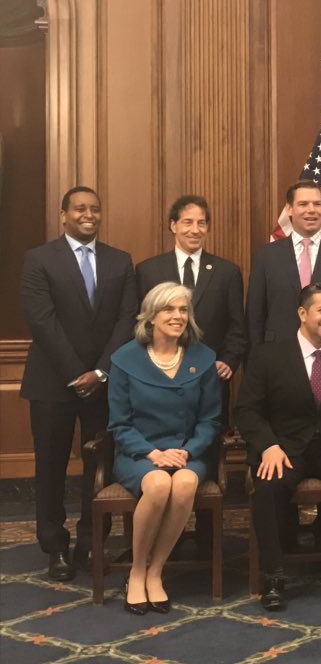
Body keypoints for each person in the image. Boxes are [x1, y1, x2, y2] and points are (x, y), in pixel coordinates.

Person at [20, 186, 137, 581]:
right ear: (63, 215)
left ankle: (91, 542)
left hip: (104, 383)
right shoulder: (39, 260)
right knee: (51, 467)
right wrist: (77, 374)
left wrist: (100, 372)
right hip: (52, 382)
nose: (88, 215)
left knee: (99, 465)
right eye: (80, 208)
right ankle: (55, 547)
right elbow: (42, 321)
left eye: (95, 209)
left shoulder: (120, 261)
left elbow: (127, 319)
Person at [236, 283, 321, 610]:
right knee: (268, 484)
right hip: (284, 447)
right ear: (302, 313)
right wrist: (268, 445)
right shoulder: (268, 356)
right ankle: (274, 575)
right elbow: (247, 410)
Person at [107, 282, 221, 614]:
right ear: (151, 316)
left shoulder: (203, 358)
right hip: (139, 454)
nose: (177, 316)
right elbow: (119, 424)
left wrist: (188, 451)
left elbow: (211, 420)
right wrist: (152, 454)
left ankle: (156, 571)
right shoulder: (125, 359)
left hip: (188, 453)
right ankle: (136, 570)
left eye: (183, 310)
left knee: (183, 483)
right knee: (157, 484)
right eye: (168, 309)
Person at [135, 195, 246, 428]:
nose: (195, 230)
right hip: (160, 377)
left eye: (201, 223)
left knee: (208, 440)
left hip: (210, 377)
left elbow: (237, 325)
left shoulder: (227, 272)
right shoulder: (148, 271)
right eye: (187, 222)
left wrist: (228, 361)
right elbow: (140, 322)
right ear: (173, 225)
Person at [247, 180, 321, 352]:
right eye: (303, 204)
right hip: (276, 353)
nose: (311, 210)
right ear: (289, 209)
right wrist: (255, 358)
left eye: (317, 204)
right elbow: (255, 315)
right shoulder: (266, 256)